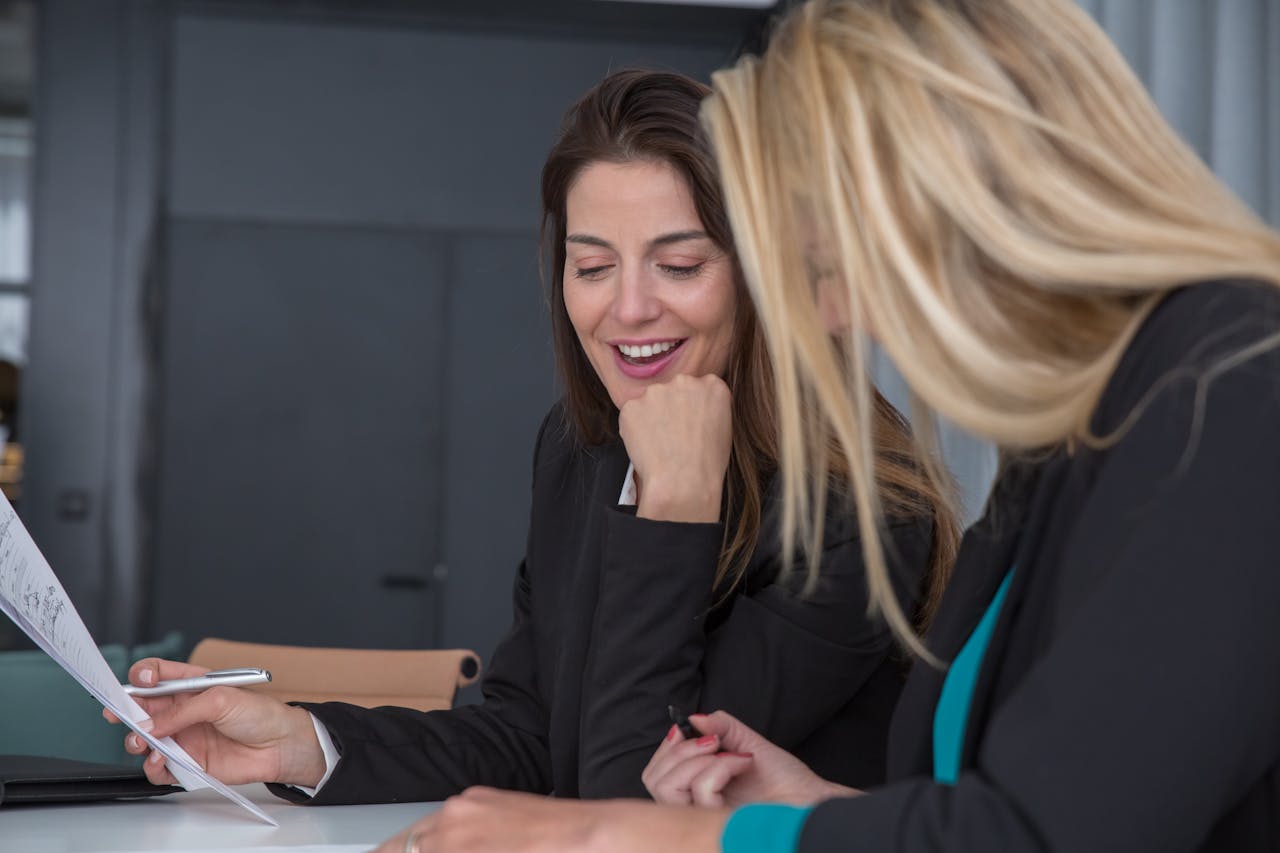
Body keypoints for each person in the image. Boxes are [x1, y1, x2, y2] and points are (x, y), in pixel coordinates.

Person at [368, 0, 1280, 850]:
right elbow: (1019, 804)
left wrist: (655, 835)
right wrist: (811, 803)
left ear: (947, 190)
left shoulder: (1232, 388)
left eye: (825, 259)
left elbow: (1045, 837)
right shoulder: (1078, 427)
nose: (832, 314)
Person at [110, 69, 955, 806]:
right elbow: (535, 733)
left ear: (760, 277)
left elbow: (635, 786)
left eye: (681, 264)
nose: (627, 309)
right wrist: (303, 740)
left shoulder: (860, 506)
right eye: (592, 266)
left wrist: (675, 510)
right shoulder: (583, 447)